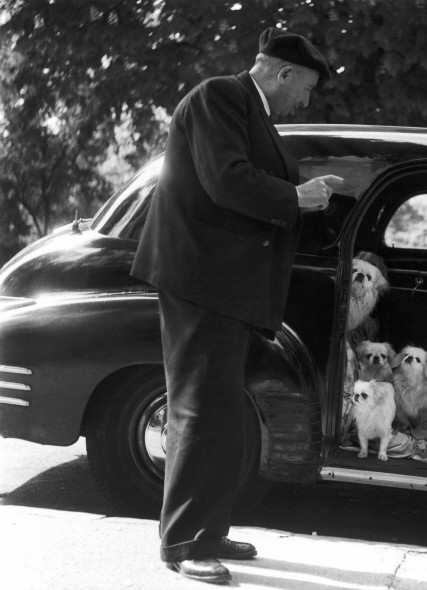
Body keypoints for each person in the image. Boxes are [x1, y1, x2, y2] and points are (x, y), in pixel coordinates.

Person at [131, 27, 343, 584]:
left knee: (222, 412)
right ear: (282, 72)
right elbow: (226, 180)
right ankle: (184, 542)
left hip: (225, 286)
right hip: (202, 281)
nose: (306, 100)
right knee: (201, 410)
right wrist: (295, 196)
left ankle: (209, 527)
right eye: (307, 88)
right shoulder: (219, 96)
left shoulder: (250, 109)